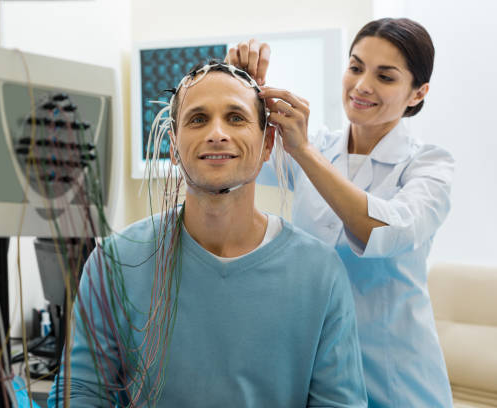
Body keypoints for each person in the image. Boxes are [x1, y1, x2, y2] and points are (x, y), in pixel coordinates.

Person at [48, 62, 367, 407]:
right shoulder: (114, 263)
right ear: (173, 145)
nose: (217, 133)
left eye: (236, 117)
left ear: (268, 143)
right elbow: (80, 393)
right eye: (198, 119)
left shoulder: (319, 273)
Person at [228, 18, 455, 407]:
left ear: (418, 93)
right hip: (317, 370)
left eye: (385, 77)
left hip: (395, 376)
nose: (362, 85)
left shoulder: (430, 165)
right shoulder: (319, 147)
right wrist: (241, 86)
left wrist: (304, 153)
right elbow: (236, 158)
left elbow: (383, 229)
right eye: (355, 67)